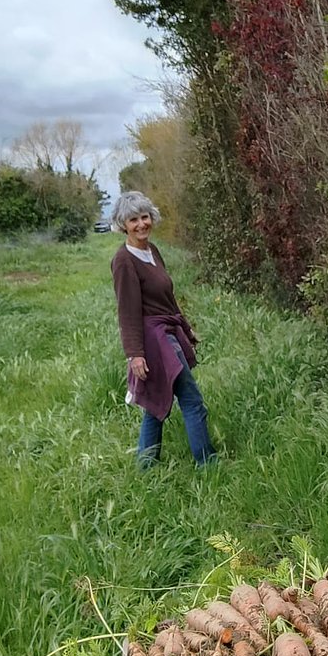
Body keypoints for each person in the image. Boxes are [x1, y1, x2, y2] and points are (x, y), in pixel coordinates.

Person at [110, 191, 217, 467]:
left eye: (144, 217)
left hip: (167, 330)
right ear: (123, 224)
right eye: (133, 220)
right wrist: (135, 354)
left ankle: (146, 466)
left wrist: (187, 329)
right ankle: (208, 463)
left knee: (155, 404)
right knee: (191, 400)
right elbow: (127, 311)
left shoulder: (151, 250)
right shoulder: (124, 260)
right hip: (153, 339)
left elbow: (167, 297)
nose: (141, 224)